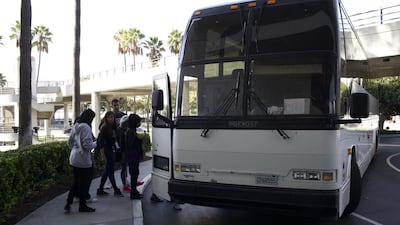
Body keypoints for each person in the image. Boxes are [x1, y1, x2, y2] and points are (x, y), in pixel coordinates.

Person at [64, 109, 96, 213]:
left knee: (76, 182)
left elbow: (69, 142)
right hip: (83, 159)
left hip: (74, 157)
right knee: (84, 183)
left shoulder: (76, 126)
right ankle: (82, 205)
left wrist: (75, 148)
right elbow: (88, 145)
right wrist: (97, 143)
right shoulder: (86, 128)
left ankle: (68, 203)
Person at [96, 111, 124, 197]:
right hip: (107, 150)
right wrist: (102, 155)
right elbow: (101, 143)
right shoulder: (104, 128)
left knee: (107, 171)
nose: (111, 119)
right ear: (106, 118)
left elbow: (115, 140)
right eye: (109, 117)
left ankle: (100, 189)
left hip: (112, 150)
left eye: (112, 117)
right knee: (110, 170)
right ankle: (116, 189)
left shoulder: (114, 127)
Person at [123, 113, 144, 199]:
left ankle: (134, 191)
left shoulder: (131, 131)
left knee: (134, 173)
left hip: (132, 155)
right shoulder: (131, 132)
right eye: (138, 121)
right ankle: (133, 192)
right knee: (134, 174)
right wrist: (139, 141)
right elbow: (131, 144)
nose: (139, 123)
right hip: (133, 155)